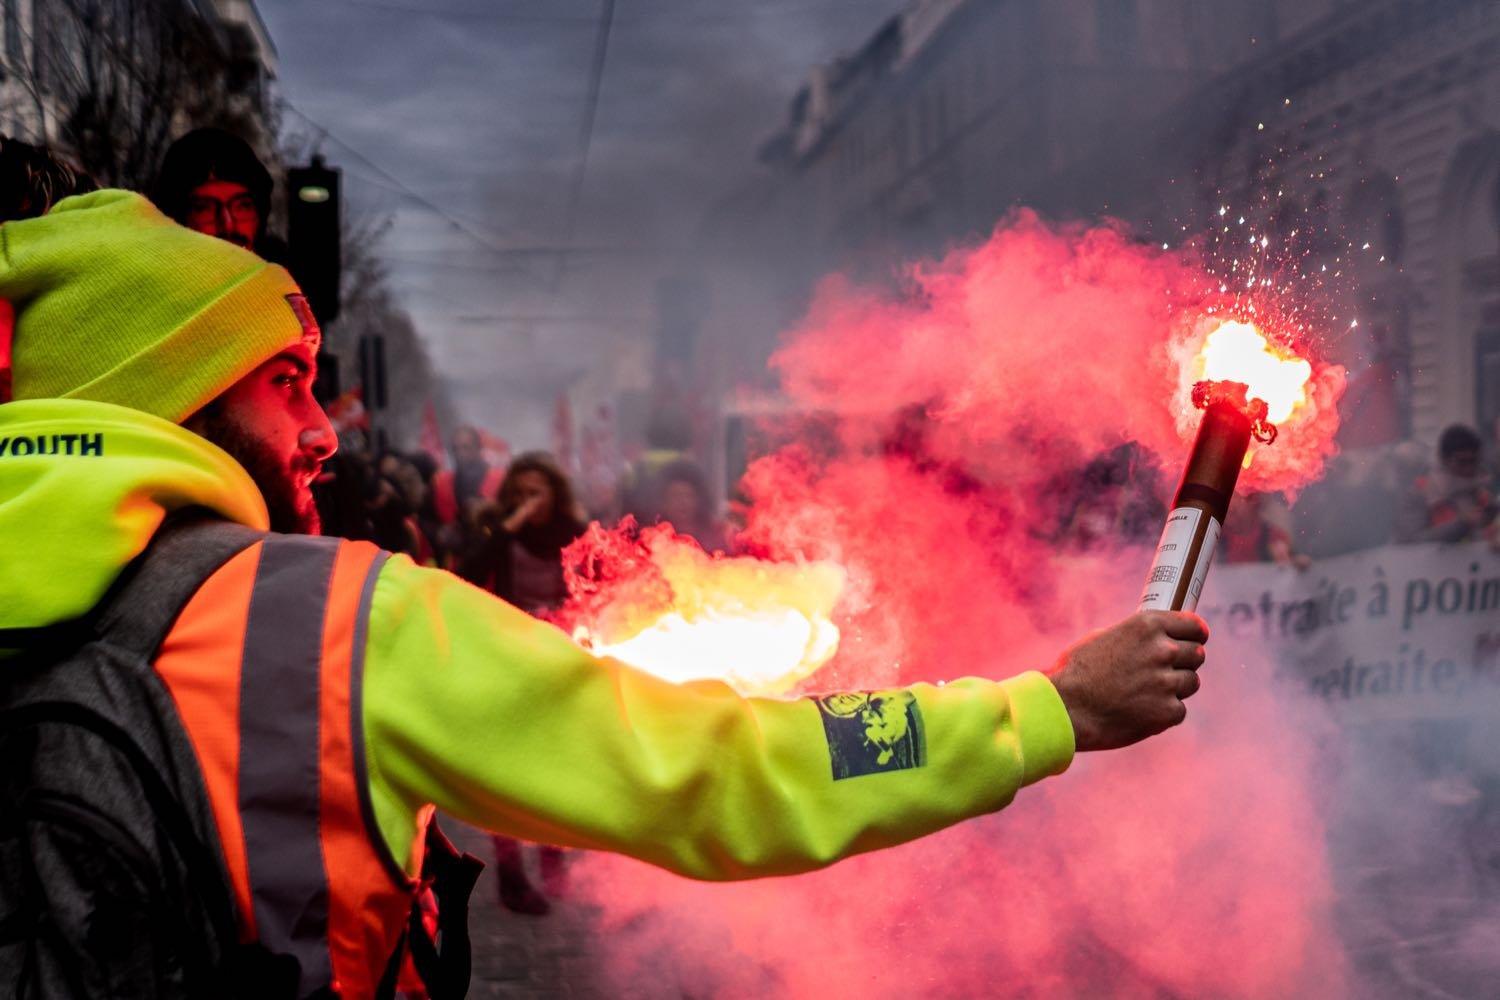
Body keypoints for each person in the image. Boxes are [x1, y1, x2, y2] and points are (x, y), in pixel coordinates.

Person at [0, 186, 1209, 995]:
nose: (325, 430)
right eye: (285, 383)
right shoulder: (337, 625)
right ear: (169, 391)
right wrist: (1049, 707)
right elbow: (731, 773)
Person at [457, 452, 589, 916]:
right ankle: (512, 877)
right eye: (520, 492)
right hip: (510, 662)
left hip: (561, 663)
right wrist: (507, 527)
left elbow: (597, 586)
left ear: (555, 492)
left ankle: (554, 860)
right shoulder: (498, 531)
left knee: (556, 771)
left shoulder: (574, 532)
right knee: (509, 775)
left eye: (537, 492)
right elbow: (466, 576)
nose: (529, 500)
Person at [151, 126, 289, 263]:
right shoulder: (149, 274)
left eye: (243, 206)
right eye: (204, 209)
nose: (228, 225)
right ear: (175, 219)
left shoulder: (288, 275)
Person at [1394, 423, 1500, 546]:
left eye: (1473, 461)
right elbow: (1411, 542)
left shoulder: (1483, 496)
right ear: (1444, 459)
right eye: (1462, 462)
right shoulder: (1418, 494)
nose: (1469, 468)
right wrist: (1462, 525)